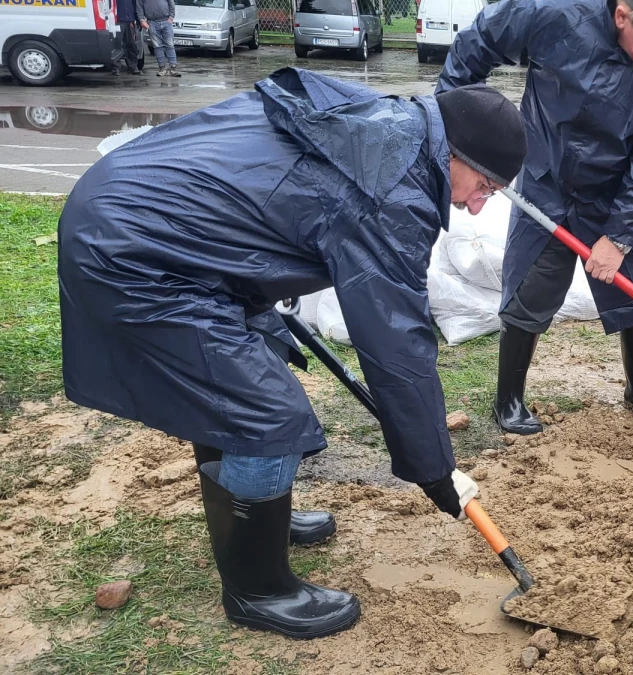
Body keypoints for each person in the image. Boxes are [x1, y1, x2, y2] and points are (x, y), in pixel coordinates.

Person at [57, 68, 527, 640]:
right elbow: (396, 344)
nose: (479, 207)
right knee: (266, 413)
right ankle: (257, 589)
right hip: (135, 252)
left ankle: (255, 518)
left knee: (240, 380)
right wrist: (434, 468)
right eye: (484, 187)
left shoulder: (382, 127)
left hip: (153, 226)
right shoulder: (392, 185)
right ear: (455, 155)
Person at [435, 0, 633, 434]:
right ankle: (508, 399)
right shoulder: (555, 12)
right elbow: (479, 41)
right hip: (550, 175)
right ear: (624, 15)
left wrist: (619, 238)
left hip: (625, 186)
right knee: (532, 283)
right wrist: (451, 128)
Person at [137, 0, 180, 77]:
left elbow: (171, 2)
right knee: (157, 46)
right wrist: (142, 20)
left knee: (170, 45)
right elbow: (139, 5)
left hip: (166, 21)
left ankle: (173, 68)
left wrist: (171, 17)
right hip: (152, 22)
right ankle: (162, 68)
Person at [111, 0, 142, 75]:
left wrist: (136, 20)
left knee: (131, 44)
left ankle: (133, 67)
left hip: (129, 21)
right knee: (117, 45)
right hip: (116, 21)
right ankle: (115, 68)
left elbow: (134, 5)